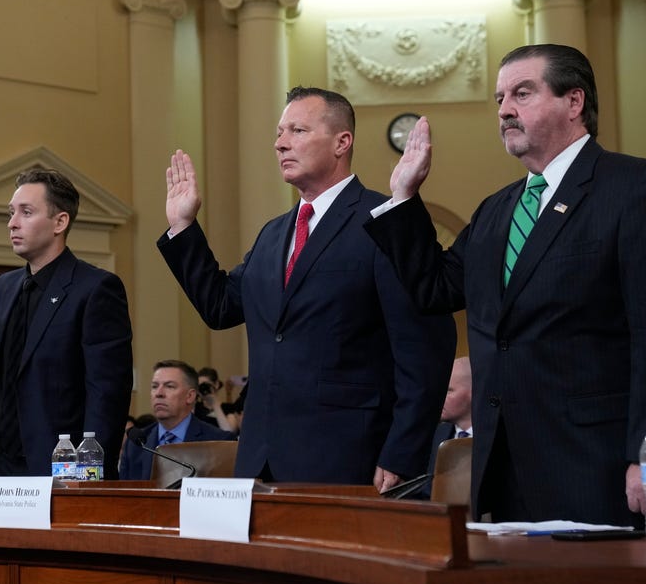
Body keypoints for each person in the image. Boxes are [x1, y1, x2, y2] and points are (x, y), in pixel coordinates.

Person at [365, 44, 646, 525]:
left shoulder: (639, 188)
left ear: (574, 102)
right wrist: (404, 197)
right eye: (500, 98)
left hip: (600, 464)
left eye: (522, 93)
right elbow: (436, 290)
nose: (505, 109)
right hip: (503, 467)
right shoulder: (496, 210)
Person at [160, 86, 456, 491]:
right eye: (280, 133)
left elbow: (424, 351)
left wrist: (402, 452)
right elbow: (220, 306)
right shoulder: (273, 234)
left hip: (351, 456)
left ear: (341, 141)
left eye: (297, 130)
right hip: (261, 459)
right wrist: (183, 227)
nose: (280, 143)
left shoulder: (384, 223)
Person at [0, 168, 133, 484]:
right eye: (11, 212)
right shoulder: (3, 287)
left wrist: (89, 471)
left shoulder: (96, 288)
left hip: (61, 468)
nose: (12, 222)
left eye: (26, 212)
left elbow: (107, 391)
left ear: (60, 222)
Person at [120, 360, 237, 480]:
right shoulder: (136, 444)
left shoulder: (219, 442)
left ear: (190, 396)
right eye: (154, 386)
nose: (159, 393)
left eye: (169, 386)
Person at [419, 357, 474, 499]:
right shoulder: (436, 434)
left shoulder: (499, 438)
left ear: (475, 392)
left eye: (448, 390)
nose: (438, 397)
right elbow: (427, 491)